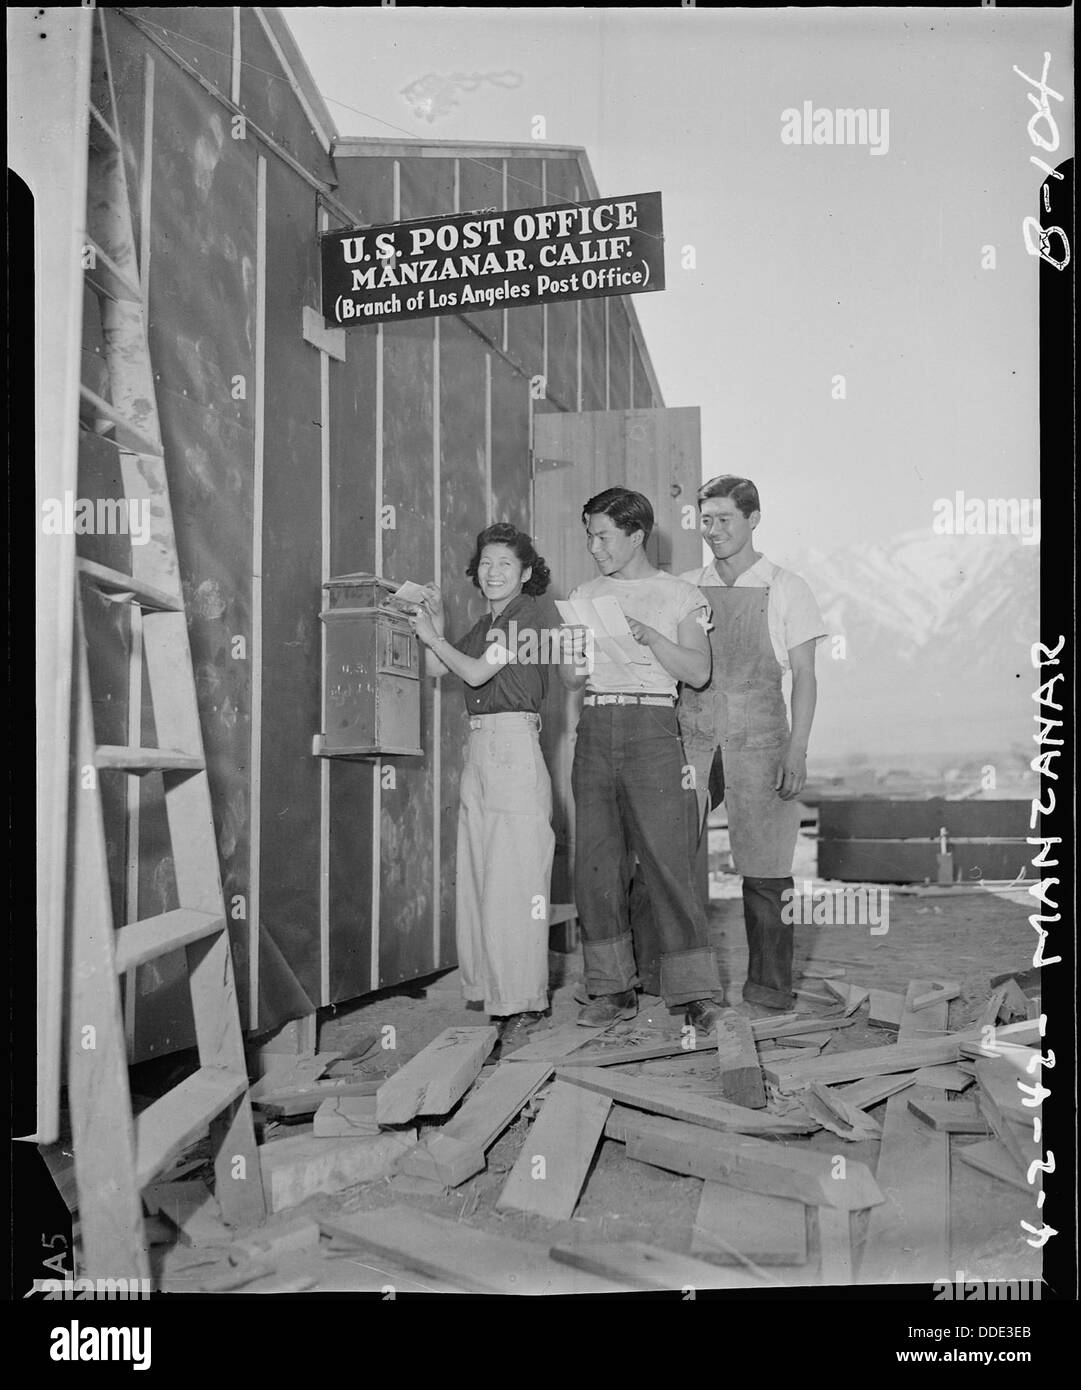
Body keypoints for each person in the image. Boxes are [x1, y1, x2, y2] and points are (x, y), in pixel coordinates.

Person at [559, 486, 725, 1030]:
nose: (594, 545)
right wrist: (574, 658)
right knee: (596, 865)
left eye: (603, 535)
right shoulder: (585, 593)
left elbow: (697, 673)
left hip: (653, 729)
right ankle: (612, 989)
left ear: (636, 536)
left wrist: (650, 635)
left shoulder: (678, 596)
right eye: (589, 534)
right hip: (597, 724)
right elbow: (568, 679)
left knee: (667, 863)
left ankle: (694, 994)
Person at [677, 474, 827, 1011]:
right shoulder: (685, 586)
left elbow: (805, 677)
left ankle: (767, 989)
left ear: (754, 519)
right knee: (667, 860)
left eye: (724, 519)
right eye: (706, 520)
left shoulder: (788, 587)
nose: (712, 531)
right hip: (692, 739)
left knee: (766, 870)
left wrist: (798, 748)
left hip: (762, 740)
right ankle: (678, 987)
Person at [411, 523, 557, 1054]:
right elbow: (436, 666)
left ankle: (526, 1002)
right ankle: (499, 995)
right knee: (482, 878)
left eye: (505, 564)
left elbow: (473, 675)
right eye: (486, 563)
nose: (493, 572)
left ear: (525, 573)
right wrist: (439, 625)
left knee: (515, 882)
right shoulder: (487, 622)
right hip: (481, 750)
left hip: (514, 748)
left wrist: (437, 638)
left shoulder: (533, 614)